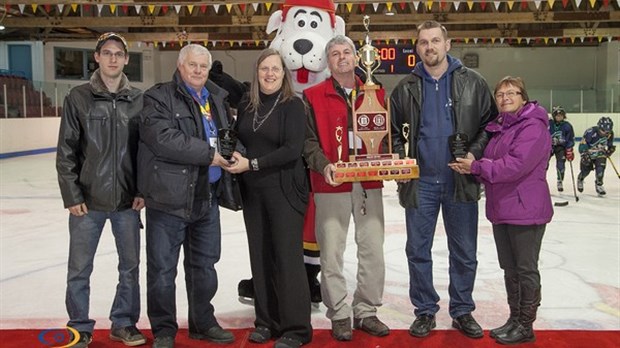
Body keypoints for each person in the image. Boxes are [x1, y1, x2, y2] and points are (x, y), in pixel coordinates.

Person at [389, 21, 498, 339]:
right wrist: (402, 158)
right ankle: (425, 310)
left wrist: (474, 156)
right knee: (417, 250)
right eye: (423, 42)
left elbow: (489, 126)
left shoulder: (474, 83)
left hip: (459, 180)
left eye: (435, 41)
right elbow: (393, 132)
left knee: (464, 251)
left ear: (448, 44)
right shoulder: (405, 87)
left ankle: (462, 310)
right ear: (417, 48)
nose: (429, 47)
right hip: (420, 182)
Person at [137, 44, 235, 348]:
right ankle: (164, 329)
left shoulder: (216, 98)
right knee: (163, 270)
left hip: (207, 197)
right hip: (169, 200)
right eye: (192, 65)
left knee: (205, 267)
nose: (198, 71)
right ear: (180, 66)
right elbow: (164, 139)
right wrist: (210, 154)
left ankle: (202, 322)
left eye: (203, 67)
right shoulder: (158, 97)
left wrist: (235, 154)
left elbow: (227, 135)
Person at [56, 32, 146, 348]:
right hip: (87, 203)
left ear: (126, 59)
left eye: (118, 53)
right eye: (106, 52)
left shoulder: (138, 100)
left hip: (126, 202)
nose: (112, 58)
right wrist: (72, 195)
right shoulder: (78, 98)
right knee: (79, 269)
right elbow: (66, 151)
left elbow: (145, 153)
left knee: (130, 269)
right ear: (97, 57)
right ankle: (80, 326)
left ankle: (123, 323)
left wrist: (142, 190)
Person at [448, 76, 553, 345]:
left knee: (525, 269)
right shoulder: (501, 128)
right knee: (510, 269)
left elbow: (514, 165)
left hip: (525, 208)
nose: (505, 98)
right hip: (503, 208)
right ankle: (515, 319)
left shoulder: (532, 127)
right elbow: (493, 166)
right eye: (500, 94)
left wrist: (476, 168)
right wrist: (472, 166)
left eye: (511, 93)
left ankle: (526, 325)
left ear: (523, 97)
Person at [303, 35, 390, 342]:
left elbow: (388, 133)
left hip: (369, 182)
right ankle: (340, 313)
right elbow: (308, 140)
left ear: (358, 58)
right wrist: (322, 164)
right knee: (331, 254)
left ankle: (366, 311)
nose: (342, 57)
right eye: (335, 53)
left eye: (347, 52)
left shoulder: (376, 92)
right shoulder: (313, 95)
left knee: (372, 251)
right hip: (331, 183)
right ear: (328, 61)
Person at [225, 48, 312, 348]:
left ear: (283, 74)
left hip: (285, 189)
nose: (270, 74)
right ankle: (266, 322)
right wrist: (233, 151)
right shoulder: (248, 104)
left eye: (275, 69)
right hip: (254, 191)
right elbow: (240, 136)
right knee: (260, 257)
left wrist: (254, 164)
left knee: (287, 259)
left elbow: (291, 149)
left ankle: (296, 328)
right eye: (264, 69)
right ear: (257, 72)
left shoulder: (293, 106)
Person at [577, 117, 616, 196]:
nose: (606, 133)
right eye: (603, 131)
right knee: (585, 171)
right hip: (588, 153)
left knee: (600, 170)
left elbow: (609, 145)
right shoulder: (590, 132)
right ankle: (580, 179)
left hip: (600, 153)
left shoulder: (610, 134)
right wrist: (584, 154)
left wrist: (610, 149)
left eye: (608, 132)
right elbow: (582, 145)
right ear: (599, 127)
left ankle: (599, 184)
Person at [548, 106, 575, 192]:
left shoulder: (567, 126)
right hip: (549, 147)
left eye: (561, 115)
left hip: (561, 147)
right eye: (557, 115)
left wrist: (569, 149)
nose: (559, 117)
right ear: (554, 116)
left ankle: (560, 180)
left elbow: (571, 139)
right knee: (542, 164)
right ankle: (540, 181)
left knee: (561, 165)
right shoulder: (548, 123)